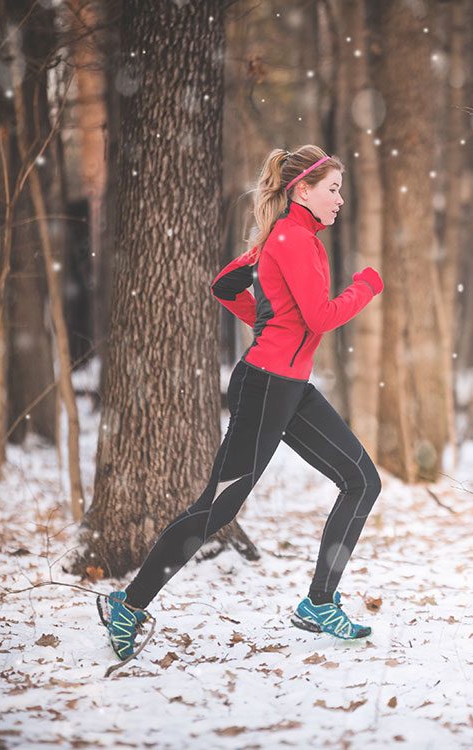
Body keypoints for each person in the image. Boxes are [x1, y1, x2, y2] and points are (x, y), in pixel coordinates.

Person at [98, 145, 386, 660]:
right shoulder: (293, 239)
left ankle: (319, 603)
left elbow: (225, 284)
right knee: (218, 505)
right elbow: (320, 317)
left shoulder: (293, 238)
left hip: (291, 386)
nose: (341, 200)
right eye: (334, 189)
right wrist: (365, 287)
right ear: (303, 189)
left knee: (362, 480)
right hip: (265, 388)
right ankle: (129, 604)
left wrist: (265, 315)